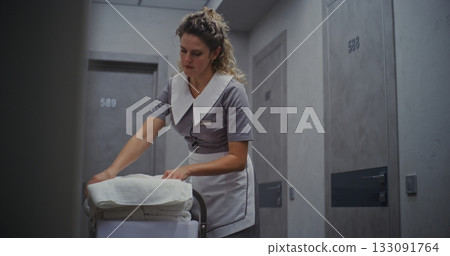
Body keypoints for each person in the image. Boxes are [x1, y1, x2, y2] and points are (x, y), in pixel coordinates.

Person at [86, 7, 259, 238]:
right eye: (183, 50)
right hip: (198, 179)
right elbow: (146, 133)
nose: (186, 60)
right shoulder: (174, 87)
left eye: (196, 54)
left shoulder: (232, 92)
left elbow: (237, 159)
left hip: (231, 187)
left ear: (215, 53)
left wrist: (187, 169)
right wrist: (111, 171)